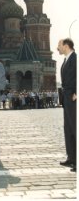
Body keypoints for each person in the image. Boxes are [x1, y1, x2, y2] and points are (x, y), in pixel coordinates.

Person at [57, 38, 77, 172]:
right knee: (68, 129)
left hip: (73, 97)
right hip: (66, 99)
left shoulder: (75, 59)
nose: (57, 48)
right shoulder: (66, 60)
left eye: (59, 45)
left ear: (66, 45)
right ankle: (71, 158)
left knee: (76, 128)